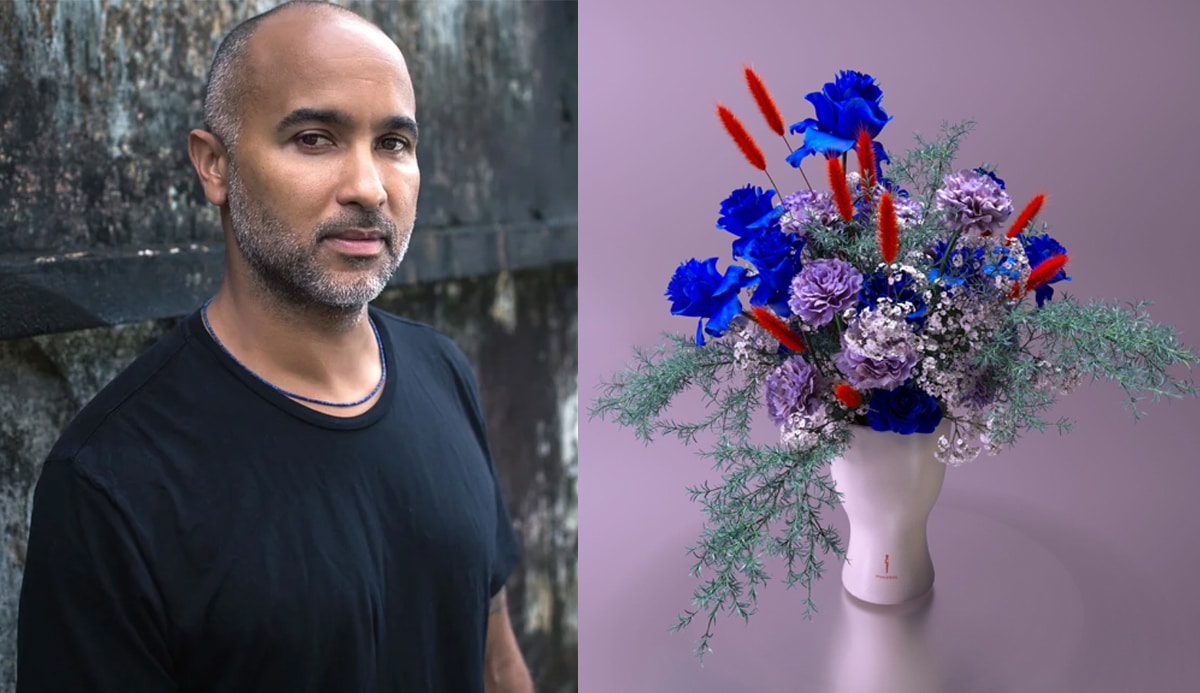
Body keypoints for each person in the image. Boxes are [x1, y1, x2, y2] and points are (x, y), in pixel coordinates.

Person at [16, 2, 534, 691]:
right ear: (214, 165)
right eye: (315, 138)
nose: (368, 187)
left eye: (394, 143)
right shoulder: (109, 483)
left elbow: (495, 656)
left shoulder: (443, 371)